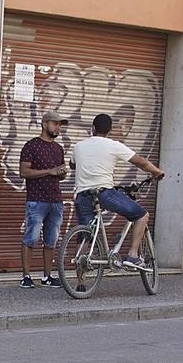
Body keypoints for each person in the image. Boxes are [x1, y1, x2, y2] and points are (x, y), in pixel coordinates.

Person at [69, 112, 164, 265]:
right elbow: (141, 162)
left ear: (93, 128)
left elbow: (72, 165)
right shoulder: (114, 145)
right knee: (142, 216)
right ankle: (133, 255)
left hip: (82, 195)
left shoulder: (79, 146)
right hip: (105, 193)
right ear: (110, 130)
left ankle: (80, 282)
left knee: (85, 235)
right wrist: (156, 171)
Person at [17, 112, 69, 288]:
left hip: (55, 199)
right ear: (44, 124)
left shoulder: (58, 148)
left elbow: (59, 174)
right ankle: (26, 276)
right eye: (55, 124)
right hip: (36, 200)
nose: (58, 127)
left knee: (51, 240)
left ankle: (47, 276)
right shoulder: (31, 146)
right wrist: (49, 171)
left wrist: (62, 174)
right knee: (30, 238)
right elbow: (24, 172)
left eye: (60, 125)